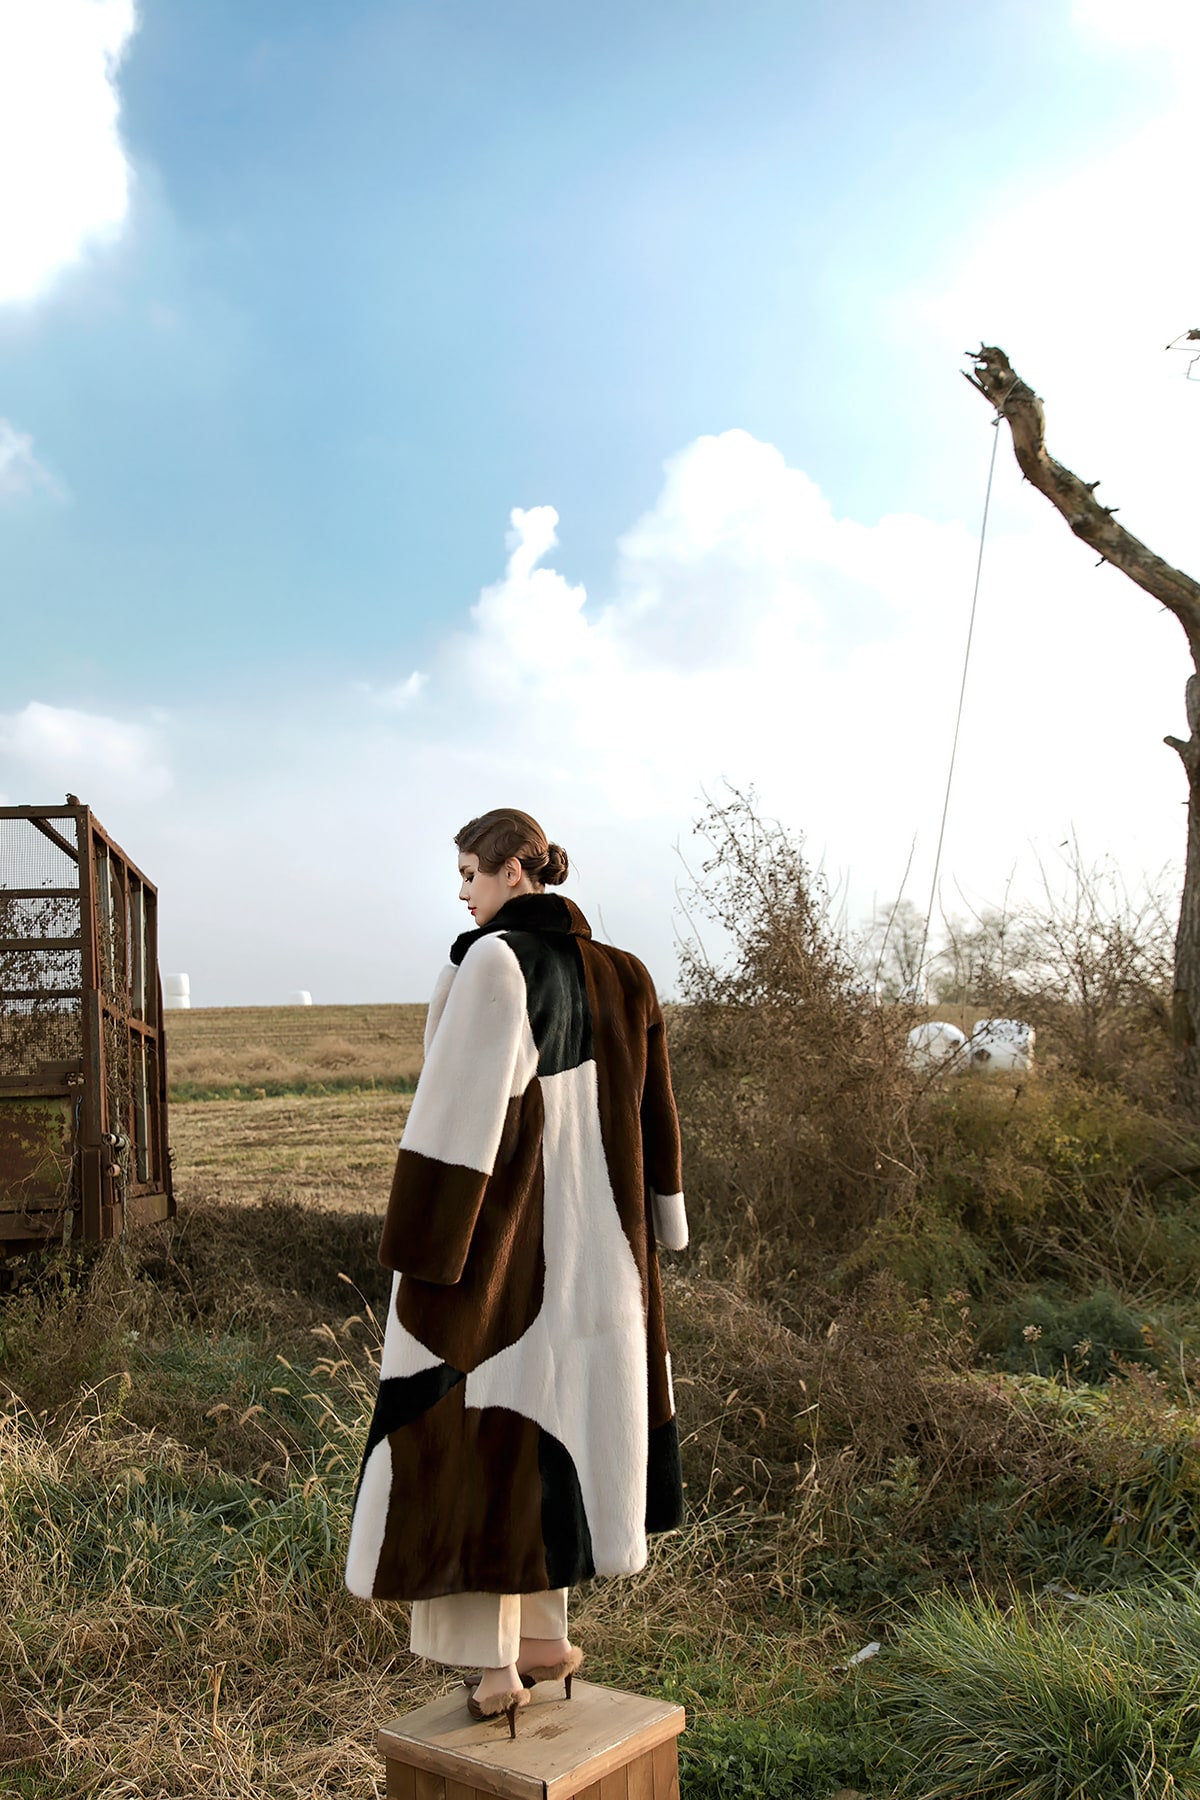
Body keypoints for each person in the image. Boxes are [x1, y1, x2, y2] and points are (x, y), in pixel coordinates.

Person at [345, 808, 687, 1736]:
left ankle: (495, 1667)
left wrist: (426, 1252)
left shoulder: (494, 963)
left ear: (513, 873)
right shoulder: (628, 973)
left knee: (469, 1436)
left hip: (504, 1252)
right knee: (560, 1423)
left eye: (470, 873)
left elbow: (458, 1117)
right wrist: (666, 1218)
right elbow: (657, 1113)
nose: (462, 893)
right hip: (605, 1254)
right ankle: (546, 1638)